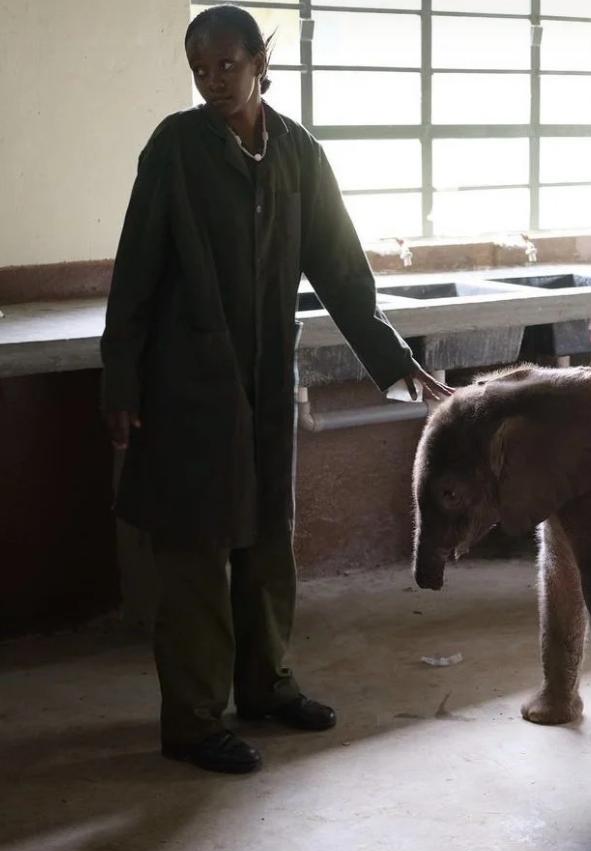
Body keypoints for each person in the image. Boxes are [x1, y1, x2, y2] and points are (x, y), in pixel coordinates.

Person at [100, 4, 452, 775]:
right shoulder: (175, 149)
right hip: (185, 384)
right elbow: (134, 273)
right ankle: (193, 721)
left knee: (266, 537)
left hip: (265, 377)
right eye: (199, 69)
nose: (212, 81)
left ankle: (264, 686)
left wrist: (392, 358)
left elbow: (340, 269)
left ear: (263, 63)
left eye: (227, 64)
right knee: (194, 548)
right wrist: (121, 379)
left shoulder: (297, 152)